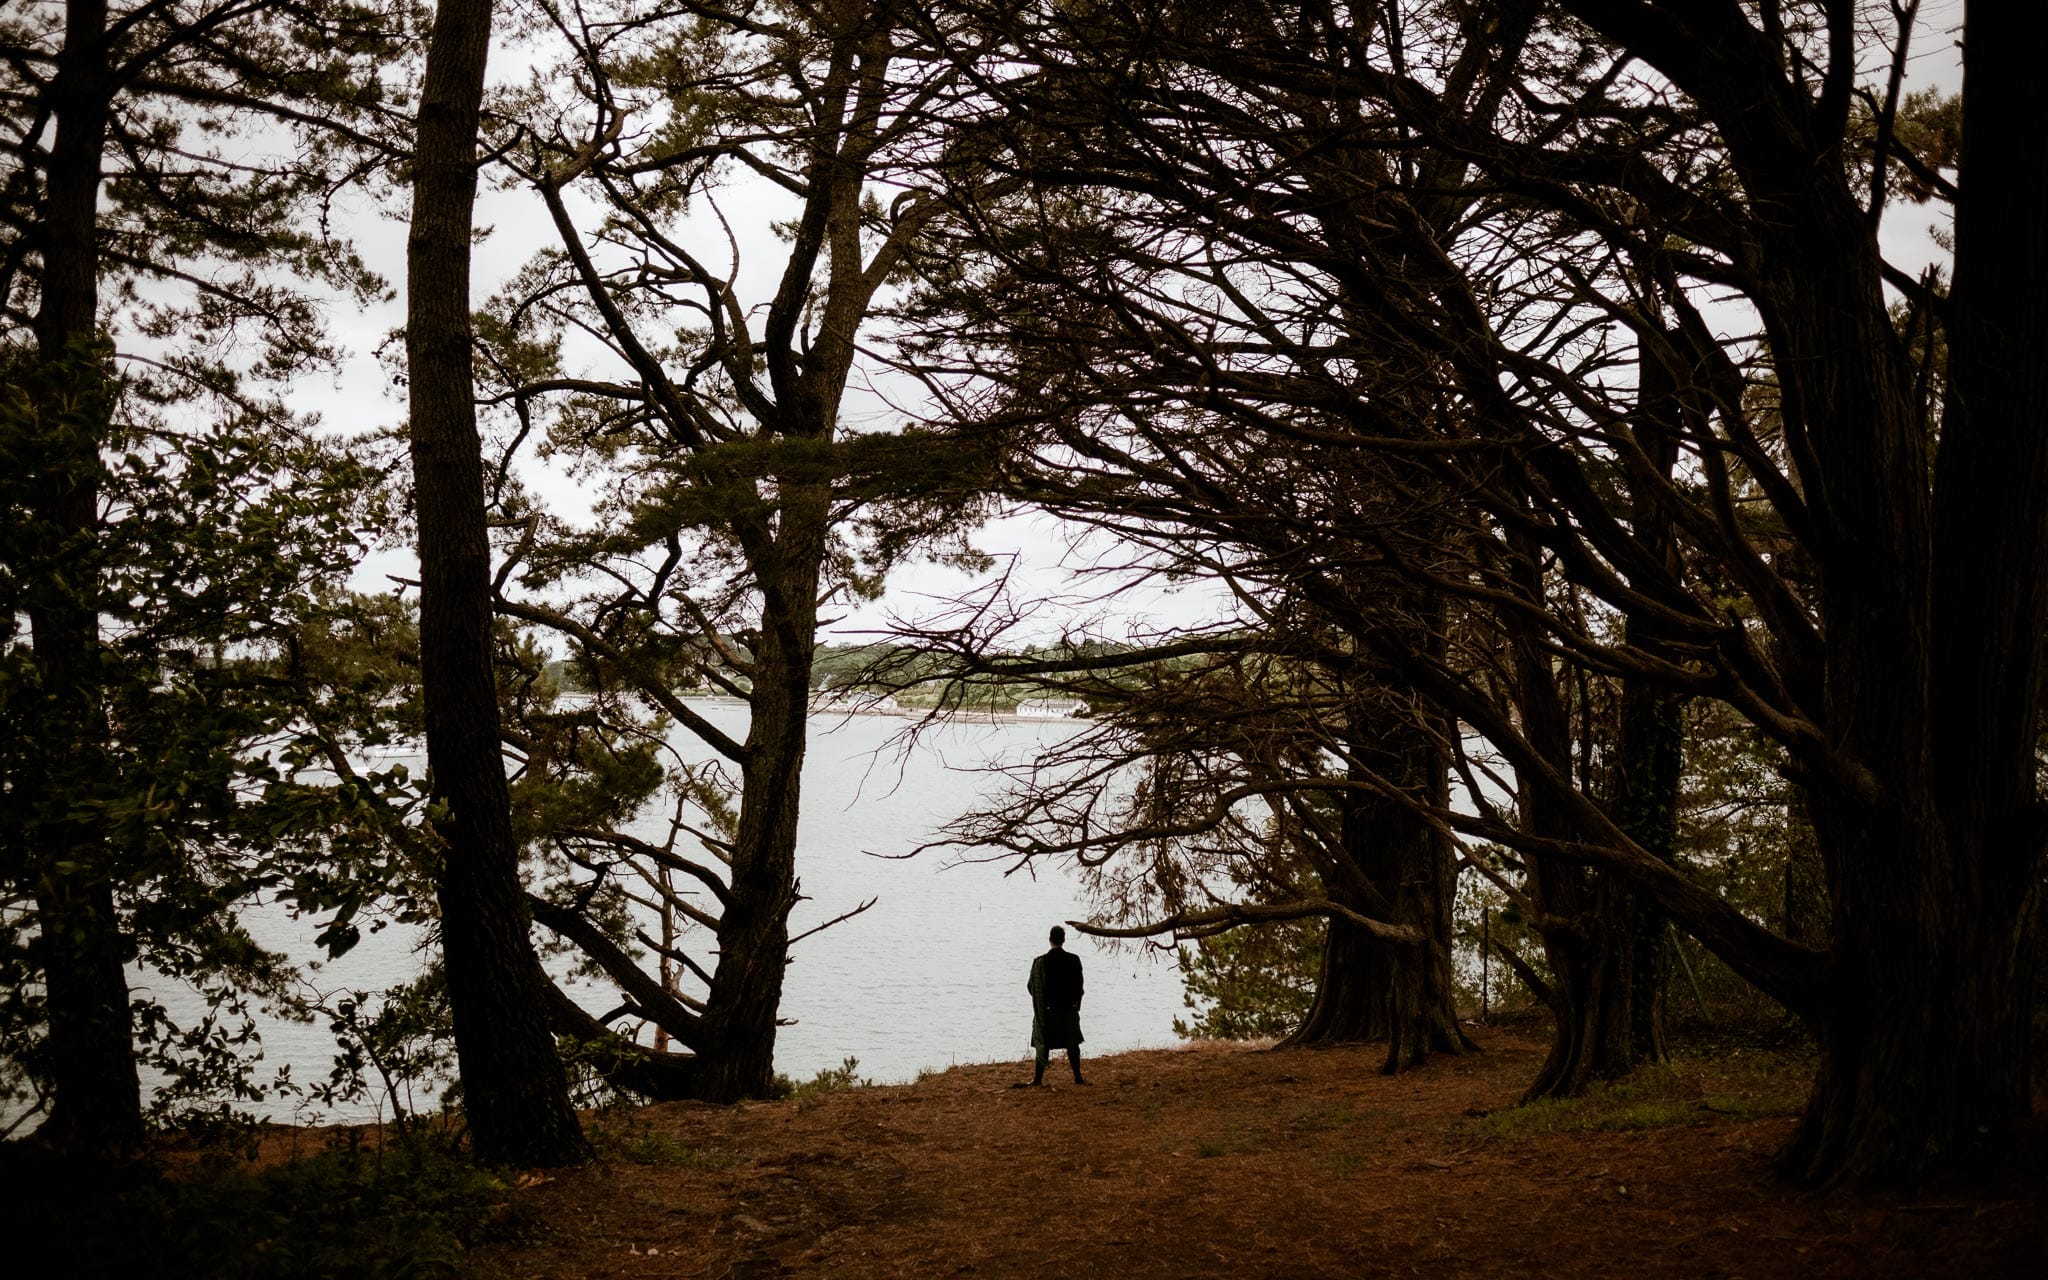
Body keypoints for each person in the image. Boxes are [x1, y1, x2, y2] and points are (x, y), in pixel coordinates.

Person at [1027, 925, 1086, 1085]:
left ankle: (1037, 1079)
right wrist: (1075, 1006)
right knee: (1072, 1045)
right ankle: (1077, 1077)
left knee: (1043, 1044)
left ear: (1050, 940)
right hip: (1068, 1011)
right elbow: (1079, 987)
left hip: (1048, 1013)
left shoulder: (1040, 963)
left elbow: (1031, 987)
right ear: (1063, 940)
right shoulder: (1074, 960)